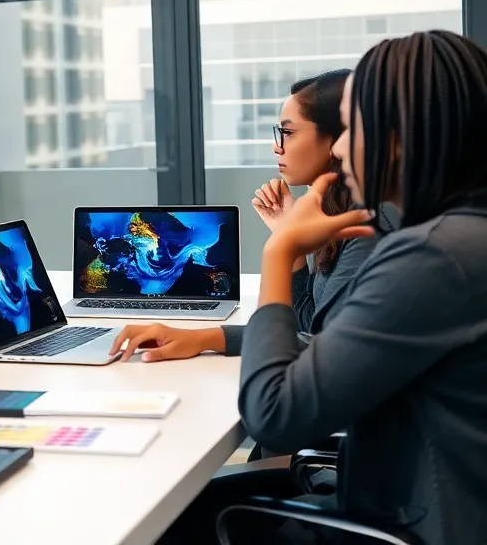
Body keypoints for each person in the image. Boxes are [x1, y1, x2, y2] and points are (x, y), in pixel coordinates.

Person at [172, 30, 487, 543]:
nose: (341, 147)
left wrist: (279, 252)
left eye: (352, 128)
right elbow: (335, 340)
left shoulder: (432, 256)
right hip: (418, 498)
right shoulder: (461, 237)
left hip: (401, 523)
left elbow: (273, 415)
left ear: (400, 137)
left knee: (178, 519)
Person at [111, 70, 396, 364]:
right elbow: (306, 325)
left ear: (337, 138)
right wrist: (202, 338)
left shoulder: (366, 230)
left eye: (288, 132)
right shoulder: (335, 212)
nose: (278, 146)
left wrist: (282, 247)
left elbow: (325, 354)